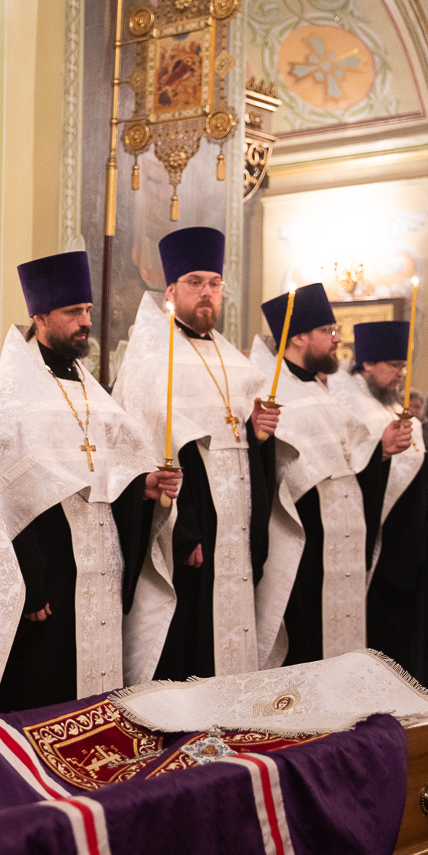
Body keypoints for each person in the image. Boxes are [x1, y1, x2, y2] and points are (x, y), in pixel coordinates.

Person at [0, 252, 179, 720]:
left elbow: (110, 472)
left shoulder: (90, 389)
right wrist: (31, 583)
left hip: (101, 565)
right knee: (49, 690)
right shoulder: (17, 395)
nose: (85, 322)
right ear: (41, 317)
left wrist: (144, 486)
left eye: (87, 310)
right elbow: (2, 497)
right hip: (51, 574)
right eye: (73, 312)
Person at [112, 227, 279, 684]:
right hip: (193, 529)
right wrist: (184, 534)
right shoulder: (152, 359)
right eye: (195, 283)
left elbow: (242, 442)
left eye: (214, 283)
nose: (207, 293)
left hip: (236, 529)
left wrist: (258, 433)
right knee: (191, 643)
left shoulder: (235, 362)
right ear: (171, 291)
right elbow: (145, 450)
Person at [250, 284, 410, 668]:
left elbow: (348, 466)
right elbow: (268, 471)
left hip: (339, 547)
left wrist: (381, 450)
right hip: (302, 546)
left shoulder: (319, 390)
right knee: (304, 647)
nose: (338, 339)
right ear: (299, 337)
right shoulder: (269, 389)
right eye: (328, 330)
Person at [332, 321, 428, 691]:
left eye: (404, 366)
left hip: (412, 537)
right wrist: (412, 467)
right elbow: (354, 467)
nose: (401, 374)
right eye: (393, 366)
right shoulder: (348, 404)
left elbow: (409, 464)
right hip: (381, 542)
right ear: (367, 364)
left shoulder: (395, 409)